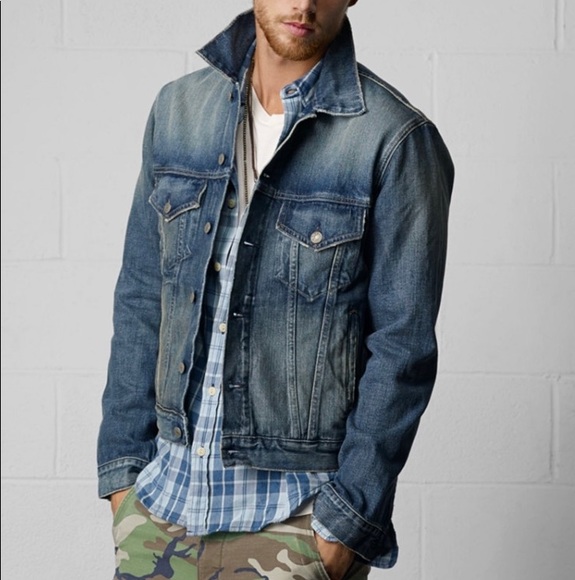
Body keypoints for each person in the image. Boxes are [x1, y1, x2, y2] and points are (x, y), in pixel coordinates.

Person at [97, 1, 454, 578]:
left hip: (295, 525)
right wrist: (124, 477)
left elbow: (403, 347)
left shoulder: (394, 139)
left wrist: (343, 528)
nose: (304, 3)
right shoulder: (177, 111)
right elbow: (142, 296)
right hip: (160, 510)